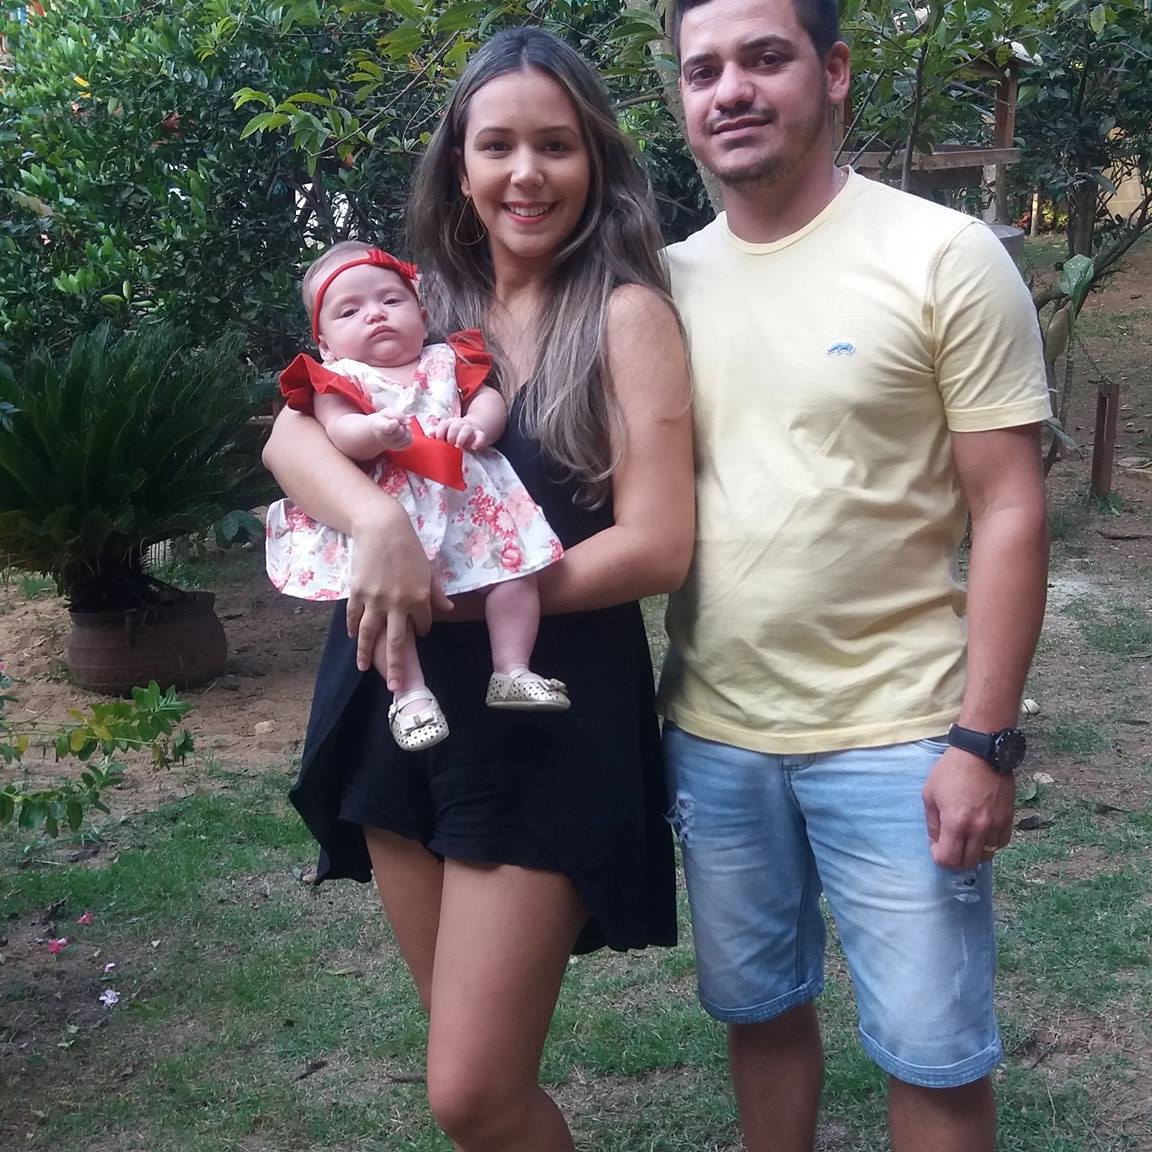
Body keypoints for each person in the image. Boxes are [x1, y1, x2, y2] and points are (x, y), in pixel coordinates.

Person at [262, 26, 694, 1152]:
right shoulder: (416, 308)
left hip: (541, 714)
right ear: (459, 164)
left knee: (472, 1090)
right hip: (396, 707)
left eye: (555, 144)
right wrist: (373, 526)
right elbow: (290, 439)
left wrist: (455, 591)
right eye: (497, 145)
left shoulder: (624, 315)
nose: (525, 173)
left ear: (595, 159)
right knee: (468, 1079)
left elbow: (658, 546)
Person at [658, 1, 1051, 1150]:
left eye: (764, 58)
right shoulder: (662, 285)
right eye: (702, 69)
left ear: (831, 71)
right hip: (715, 734)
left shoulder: (942, 255)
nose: (731, 90)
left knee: (934, 1055)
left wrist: (983, 742)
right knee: (761, 1012)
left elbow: (1010, 505)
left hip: (900, 734)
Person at [265, 241, 570, 753]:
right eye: (349, 311)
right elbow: (339, 431)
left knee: (516, 573)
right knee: (389, 607)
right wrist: (372, 432)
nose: (375, 314)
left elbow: (488, 399)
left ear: (422, 314)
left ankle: (512, 668)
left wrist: (477, 425)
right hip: (395, 509)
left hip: (471, 506)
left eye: (391, 300)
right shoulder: (338, 379)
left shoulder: (449, 358)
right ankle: (408, 694)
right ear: (326, 344)